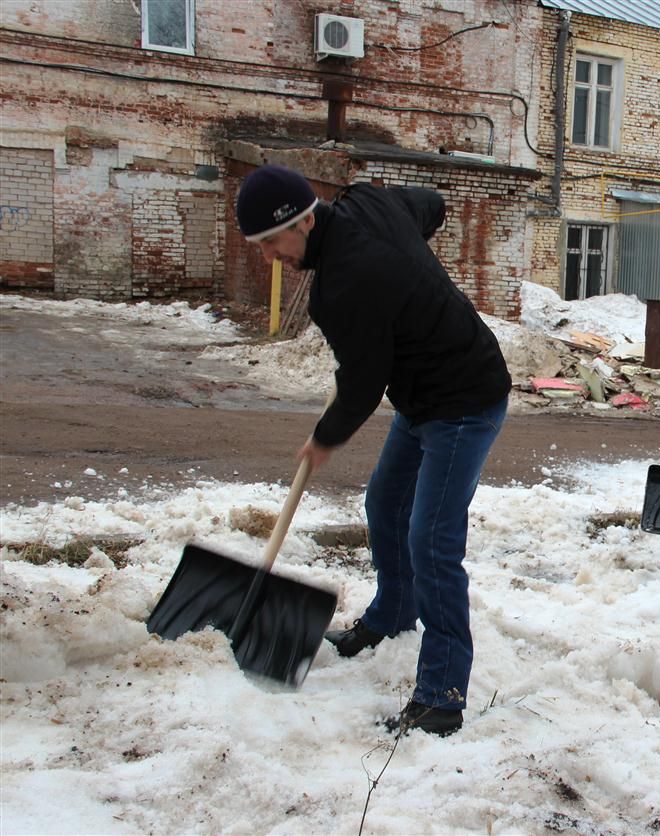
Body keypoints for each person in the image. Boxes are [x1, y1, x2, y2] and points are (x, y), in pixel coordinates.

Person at [235, 164, 511, 737]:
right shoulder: (370, 202)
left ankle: (442, 694)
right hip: (420, 396)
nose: (269, 258)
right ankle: (390, 617)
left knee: (431, 541)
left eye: (270, 244)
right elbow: (431, 202)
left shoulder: (343, 286)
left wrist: (325, 438)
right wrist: (411, 272)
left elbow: (362, 382)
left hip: (464, 398)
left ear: (303, 221)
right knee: (384, 505)